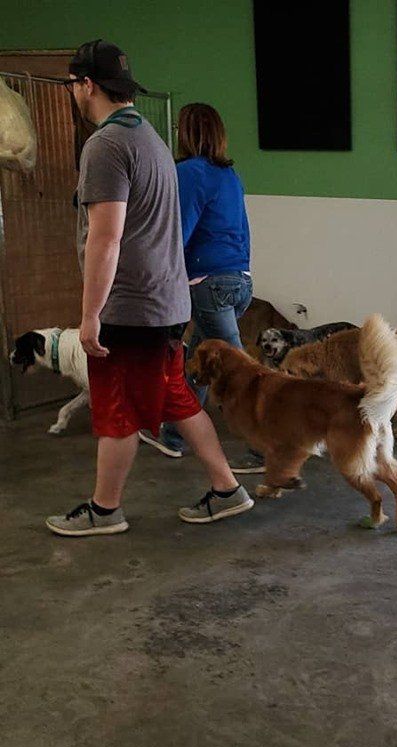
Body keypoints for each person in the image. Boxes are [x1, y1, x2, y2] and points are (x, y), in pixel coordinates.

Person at [46, 39, 253, 536]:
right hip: (167, 300)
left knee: (117, 408)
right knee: (175, 398)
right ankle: (228, 489)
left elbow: (107, 235)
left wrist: (91, 313)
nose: (74, 92)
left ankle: (104, 509)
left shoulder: (105, 145)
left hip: (131, 306)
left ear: (86, 85)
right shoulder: (151, 140)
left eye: (74, 84)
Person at [139, 102, 263, 472]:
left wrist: (155, 278)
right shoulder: (230, 174)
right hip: (238, 281)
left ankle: (266, 446)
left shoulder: (189, 172)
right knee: (198, 363)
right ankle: (174, 436)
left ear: (186, 133)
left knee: (239, 371)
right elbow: (241, 230)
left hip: (207, 283)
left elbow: (177, 232)